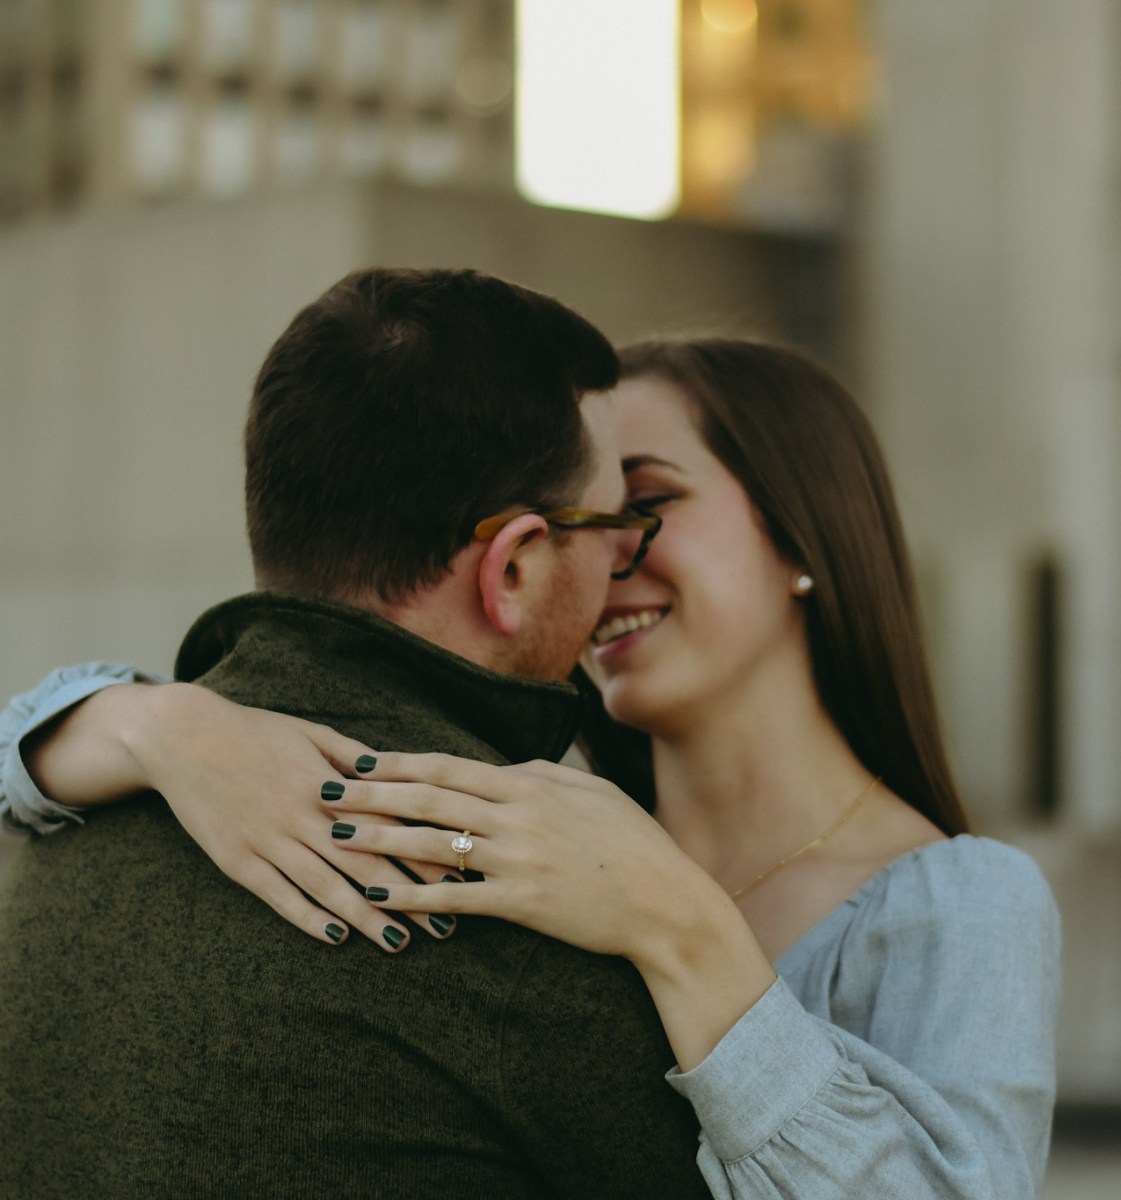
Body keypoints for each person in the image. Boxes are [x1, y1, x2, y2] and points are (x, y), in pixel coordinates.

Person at [1, 338, 1062, 1200]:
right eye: (595, 521)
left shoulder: (961, 906)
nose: (609, 555)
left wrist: (682, 931)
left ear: (801, 536)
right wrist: (160, 724)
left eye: (648, 505)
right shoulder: (517, 818)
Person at [0, 267, 714, 1199]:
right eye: (614, 521)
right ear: (512, 569)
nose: (626, 556)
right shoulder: (532, 908)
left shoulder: (62, 840)